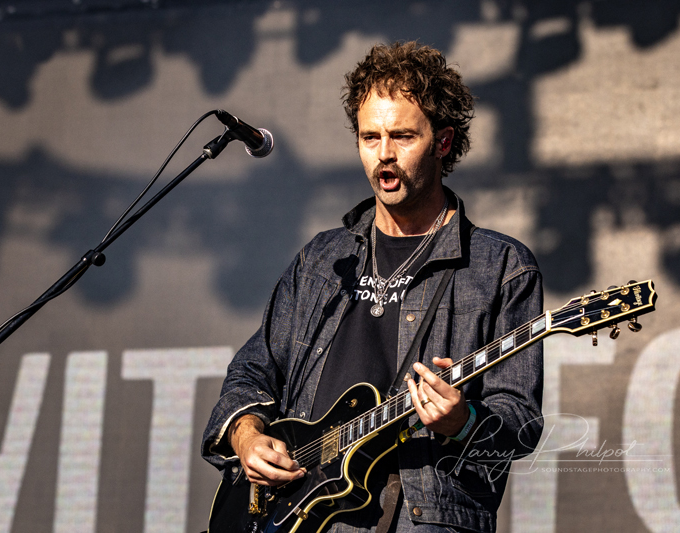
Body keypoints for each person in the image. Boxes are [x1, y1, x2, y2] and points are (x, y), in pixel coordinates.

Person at [202, 41, 544, 533]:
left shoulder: (500, 267)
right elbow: (252, 371)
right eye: (370, 137)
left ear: (443, 142)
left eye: (403, 136)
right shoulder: (322, 259)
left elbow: (520, 424)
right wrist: (246, 437)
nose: (384, 154)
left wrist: (462, 421)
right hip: (290, 516)